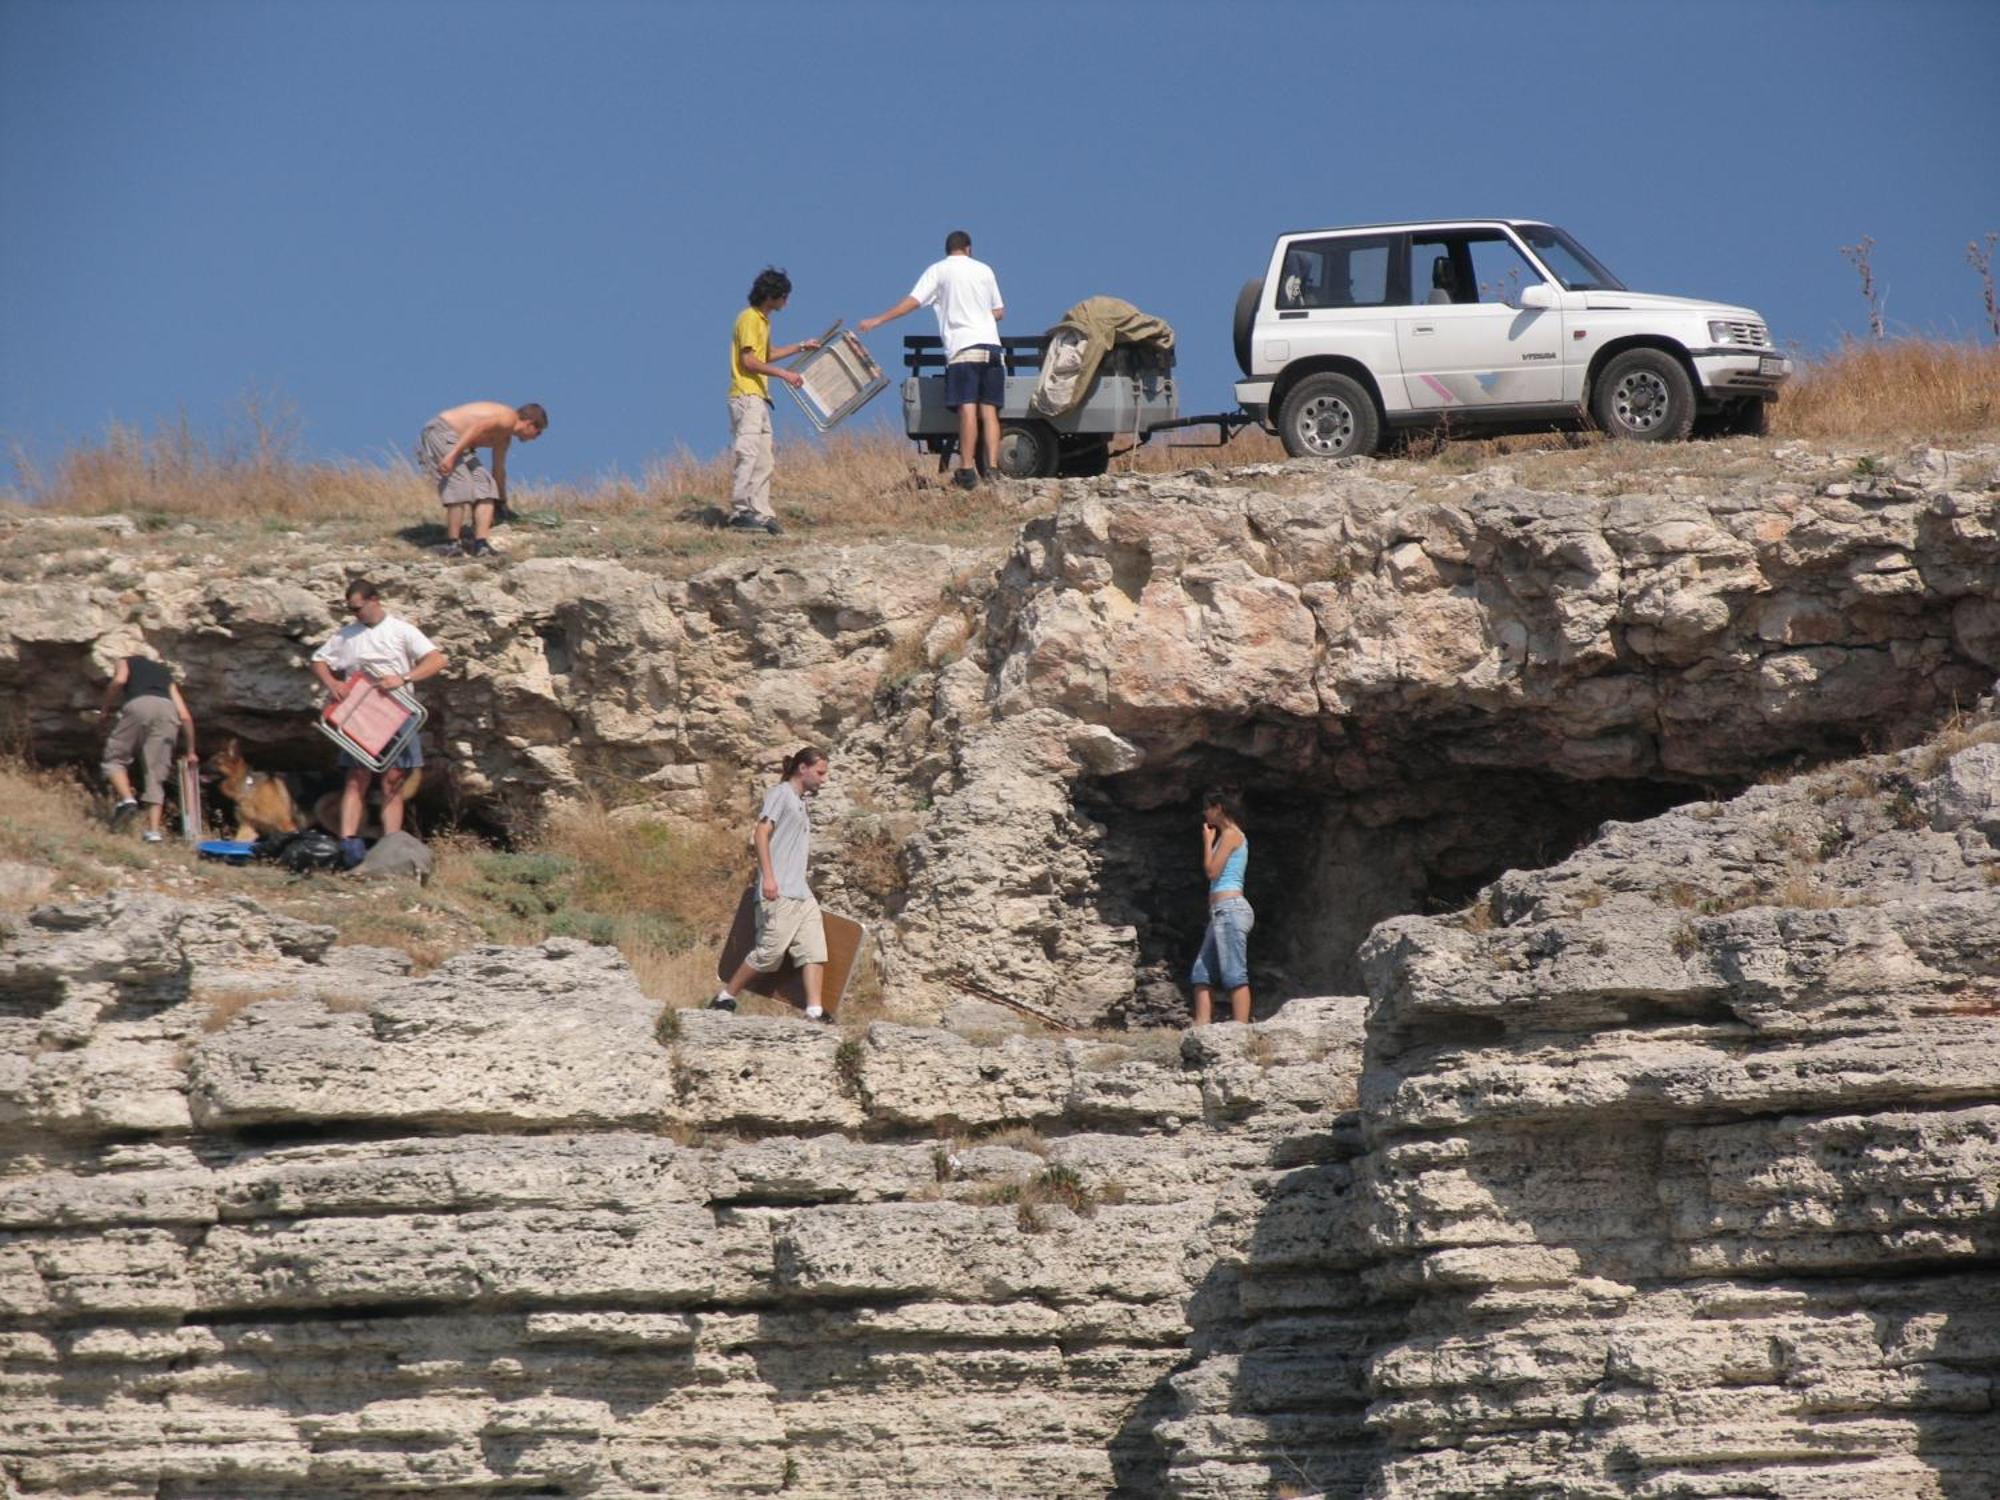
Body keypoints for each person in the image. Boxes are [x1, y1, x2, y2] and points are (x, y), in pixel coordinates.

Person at [309, 579, 446, 868]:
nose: (355, 614)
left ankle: (391, 845)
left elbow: (436, 660)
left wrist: (404, 678)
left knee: (393, 779)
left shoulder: (401, 630)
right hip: (362, 712)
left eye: (358, 608)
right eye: (350, 609)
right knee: (356, 776)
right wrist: (332, 682)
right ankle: (348, 844)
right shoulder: (346, 635)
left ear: (374, 600)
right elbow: (319, 660)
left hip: (397, 711)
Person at [858, 230, 1005, 490]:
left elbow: (912, 303)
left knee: (967, 408)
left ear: (948, 249)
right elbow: (999, 311)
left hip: (963, 348)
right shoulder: (985, 270)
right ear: (969, 249)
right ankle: (992, 468)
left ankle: (967, 469)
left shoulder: (939, 271)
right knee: (989, 410)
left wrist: (878, 320)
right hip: (992, 348)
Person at [711, 746, 834, 1021]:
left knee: (814, 949)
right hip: (779, 892)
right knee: (769, 954)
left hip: (801, 894)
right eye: (820, 772)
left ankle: (815, 1011)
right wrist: (768, 877)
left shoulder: (801, 803)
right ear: (803, 768)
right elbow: (761, 833)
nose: (823, 779)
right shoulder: (781, 794)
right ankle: (725, 998)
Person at [727, 267, 820, 536]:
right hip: (746, 395)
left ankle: (760, 512)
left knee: (765, 459)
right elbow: (750, 361)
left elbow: (768, 354)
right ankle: (740, 511)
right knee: (748, 453)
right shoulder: (749, 318)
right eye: (784, 296)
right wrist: (785, 375)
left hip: (760, 398)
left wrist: (802, 346)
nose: (786, 302)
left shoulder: (763, 321)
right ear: (773, 296)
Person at [416, 401, 548, 557]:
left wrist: (502, 502)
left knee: (486, 486)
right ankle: (452, 544)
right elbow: (477, 428)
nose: (536, 438)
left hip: (458, 443)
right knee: (459, 482)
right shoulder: (508, 418)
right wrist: (451, 456)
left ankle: (481, 545)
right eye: (538, 432)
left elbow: (498, 470)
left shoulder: (504, 438)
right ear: (529, 424)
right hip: (442, 431)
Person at [99, 653, 197, 844]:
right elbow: (185, 715)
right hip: (168, 711)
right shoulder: (165, 674)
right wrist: (191, 750)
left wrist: (105, 707)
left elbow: (119, 681)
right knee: (156, 772)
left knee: (115, 758)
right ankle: (153, 832)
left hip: (139, 705)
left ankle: (128, 800)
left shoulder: (126, 660)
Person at [1189, 788, 1254, 1026]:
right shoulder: (1227, 836)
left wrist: (1208, 842)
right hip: (1220, 912)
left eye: (1207, 807)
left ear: (1218, 809)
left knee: (1234, 973)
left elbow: (1212, 871)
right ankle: (1202, 1027)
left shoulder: (1231, 835)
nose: (1204, 813)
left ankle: (1240, 1029)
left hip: (1231, 909)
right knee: (1201, 973)